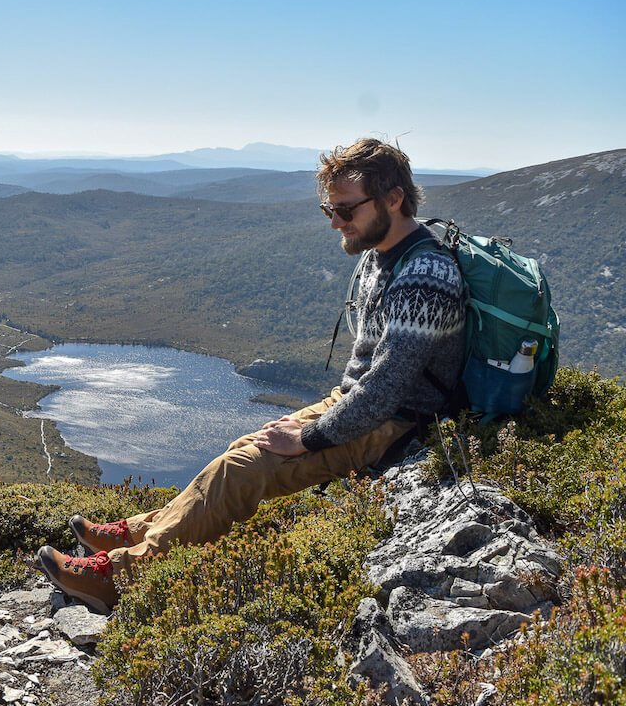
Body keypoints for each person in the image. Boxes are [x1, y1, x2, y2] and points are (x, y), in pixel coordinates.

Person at [37, 138, 467, 615]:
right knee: (244, 448)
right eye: (330, 208)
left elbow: (387, 388)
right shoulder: (381, 252)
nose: (335, 222)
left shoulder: (426, 274)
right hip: (358, 403)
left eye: (346, 210)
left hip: (396, 422)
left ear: (393, 198)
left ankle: (121, 576)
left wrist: (311, 437)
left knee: (242, 470)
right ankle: (145, 528)